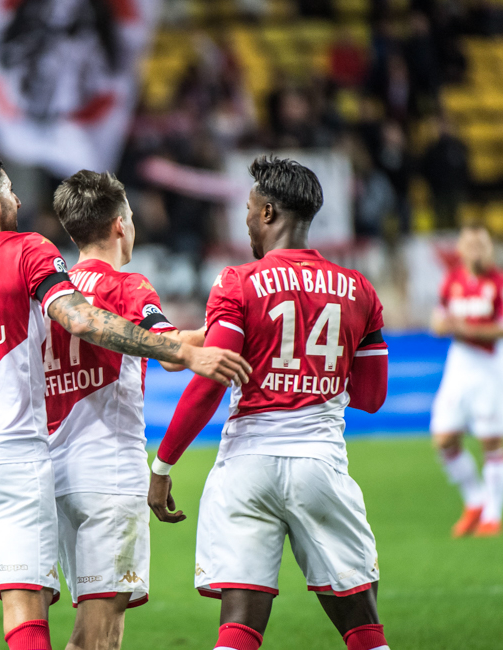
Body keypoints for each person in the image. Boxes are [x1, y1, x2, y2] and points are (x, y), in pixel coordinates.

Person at [0, 151, 250, 650]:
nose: (19, 200)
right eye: (11, 191)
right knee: (40, 621)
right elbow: (84, 320)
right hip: (33, 463)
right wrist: (196, 345)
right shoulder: (29, 255)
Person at [149, 155, 393, 650]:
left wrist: (162, 466)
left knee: (239, 628)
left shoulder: (238, 282)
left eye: (248, 208)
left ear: (267, 212)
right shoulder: (359, 290)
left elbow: (210, 381)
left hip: (248, 466)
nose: (245, 219)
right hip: (320, 463)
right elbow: (371, 397)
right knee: (364, 629)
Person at [45, 170, 205, 650]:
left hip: (52, 474)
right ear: (120, 224)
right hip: (108, 473)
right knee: (100, 639)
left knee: (89, 634)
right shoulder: (127, 286)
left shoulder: (50, 294)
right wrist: (231, 324)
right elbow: (170, 351)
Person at [430, 224, 503, 538]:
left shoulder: (502, 283)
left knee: (491, 441)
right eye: (470, 245)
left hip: (491, 367)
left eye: (482, 244)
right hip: (459, 364)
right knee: (444, 438)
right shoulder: (452, 280)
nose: (476, 251)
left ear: (490, 248)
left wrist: (466, 328)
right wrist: (446, 326)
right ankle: (476, 499)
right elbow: (437, 321)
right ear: (460, 249)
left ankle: (492, 516)